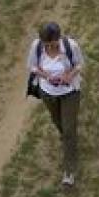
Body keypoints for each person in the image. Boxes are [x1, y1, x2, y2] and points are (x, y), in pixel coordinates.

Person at [26, 22, 84, 187]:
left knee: (68, 129)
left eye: (53, 44)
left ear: (59, 38)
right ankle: (68, 141)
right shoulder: (37, 46)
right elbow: (32, 66)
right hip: (48, 93)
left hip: (69, 93)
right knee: (58, 123)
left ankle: (69, 171)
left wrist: (69, 75)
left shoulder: (70, 46)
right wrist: (46, 76)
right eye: (47, 44)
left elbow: (79, 64)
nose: (50, 47)